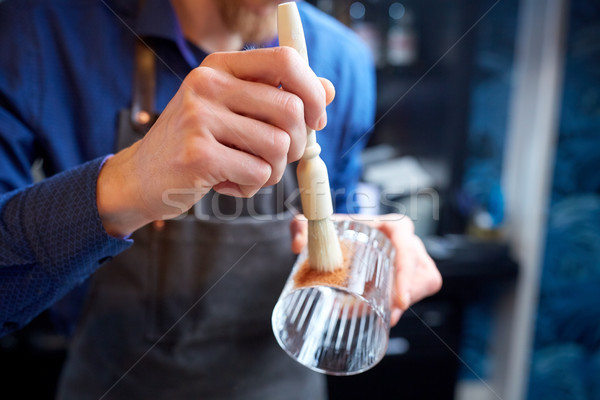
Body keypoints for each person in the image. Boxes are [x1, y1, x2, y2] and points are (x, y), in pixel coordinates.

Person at [0, 0, 442, 399]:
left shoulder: (344, 59)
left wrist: (364, 254)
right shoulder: (38, 33)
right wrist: (128, 182)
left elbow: (335, 214)